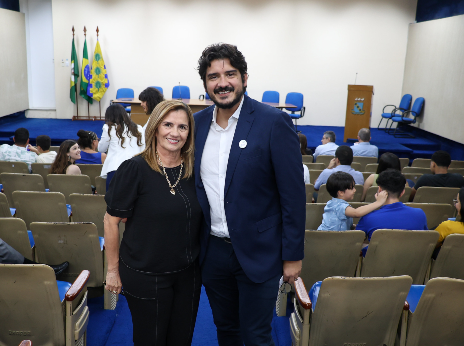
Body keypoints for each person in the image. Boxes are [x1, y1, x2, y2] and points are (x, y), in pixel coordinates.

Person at [194, 43, 305, 346]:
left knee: (256, 335)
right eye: (213, 76)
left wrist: (292, 255)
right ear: (205, 83)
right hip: (213, 252)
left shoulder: (274, 122)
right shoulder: (197, 124)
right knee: (226, 329)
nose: (223, 82)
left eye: (230, 74)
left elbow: (293, 196)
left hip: (260, 251)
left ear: (244, 77)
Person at [104, 100, 202, 346]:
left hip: (187, 275)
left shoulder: (194, 171)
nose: (175, 133)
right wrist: (113, 270)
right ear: (156, 127)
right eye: (168, 124)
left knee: (181, 340)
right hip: (146, 275)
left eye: (182, 127)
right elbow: (111, 221)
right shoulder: (134, 169)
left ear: (189, 133)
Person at [356, 169, 428, 243]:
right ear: (402, 192)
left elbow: (356, 241)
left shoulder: (368, 217)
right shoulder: (420, 214)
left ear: (380, 190)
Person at [317, 171, 388, 231]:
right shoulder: (339, 206)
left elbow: (342, 222)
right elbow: (356, 213)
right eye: (352, 188)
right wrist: (378, 202)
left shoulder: (332, 203)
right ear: (341, 192)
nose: (355, 190)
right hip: (329, 240)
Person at [98, 104, 144, 190]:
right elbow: (143, 149)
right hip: (135, 168)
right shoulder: (138, 128)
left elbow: (101, 149)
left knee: (113, 200)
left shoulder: (108, 127)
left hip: (115, 168)